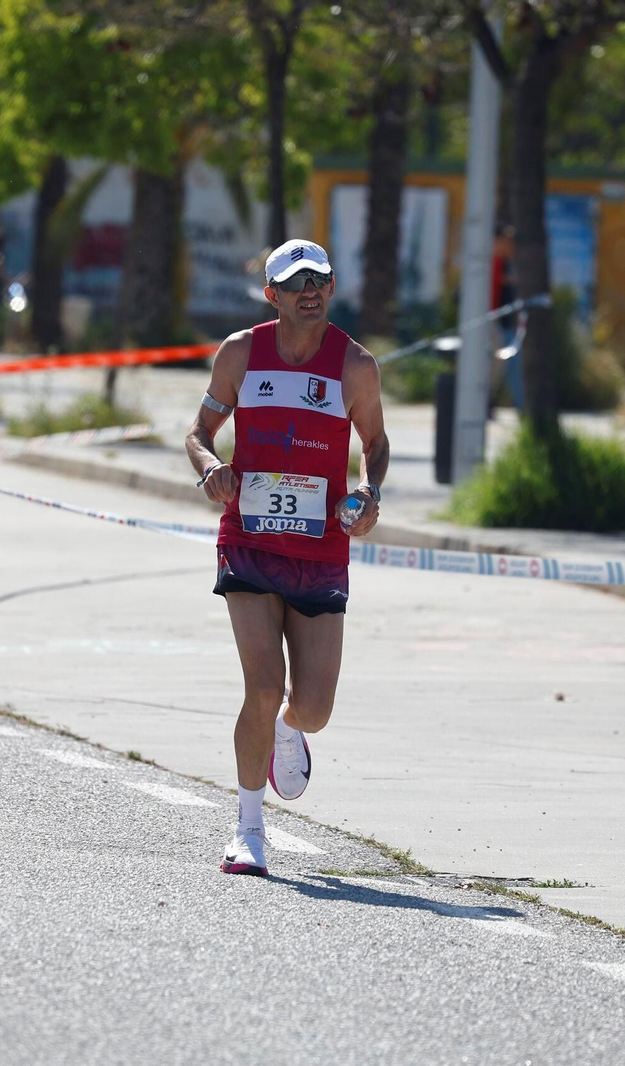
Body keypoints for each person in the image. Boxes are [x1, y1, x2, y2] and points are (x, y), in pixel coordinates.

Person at [185, 238, 390, 877]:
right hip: (247, 539)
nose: (311, 290)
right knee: (263, 685)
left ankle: (287, 729)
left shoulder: (354, 365)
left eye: (321, 279)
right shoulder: (241, 353)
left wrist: (368, 489)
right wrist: (213, 468)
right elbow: (198, 434)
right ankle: (248, 830)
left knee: (315, 708)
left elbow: (376, 443)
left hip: (321, 548)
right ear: (271, 294)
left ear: (331, 288)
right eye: (296, 281)